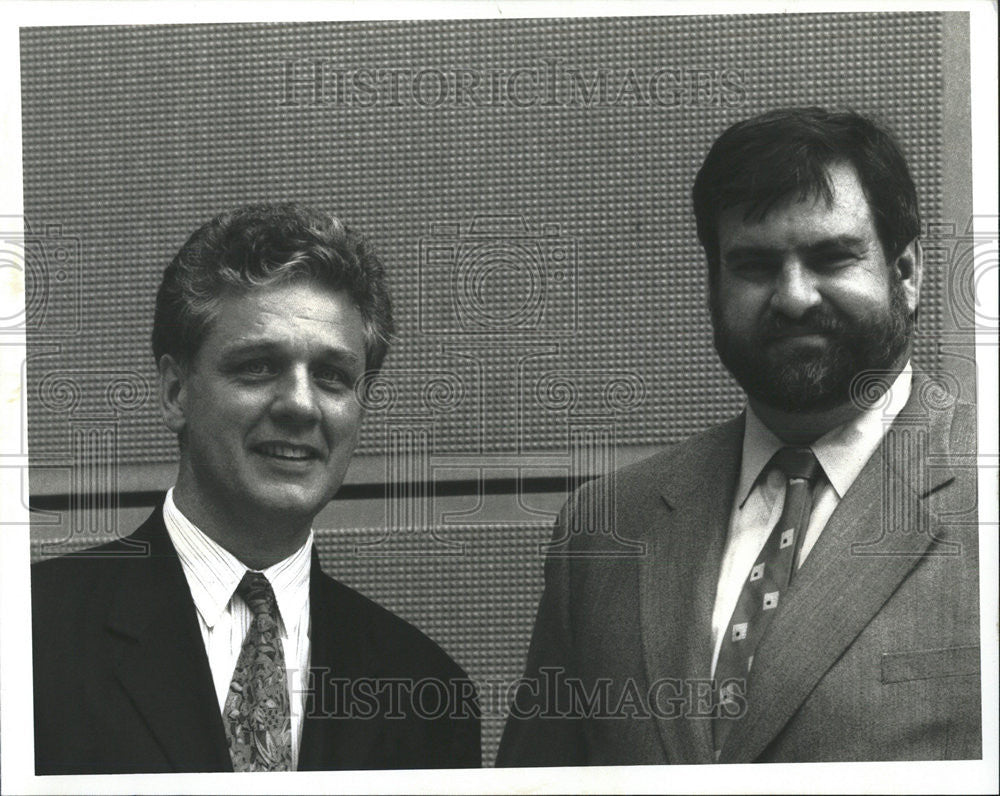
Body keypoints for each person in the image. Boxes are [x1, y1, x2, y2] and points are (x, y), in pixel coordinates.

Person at [496, 108, 980, 765]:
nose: (794, 297)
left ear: (908, 271)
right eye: (754, 265)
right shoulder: (603, 528)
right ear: (713, 287)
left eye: (831, 256)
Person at [32, 203, 481, 774]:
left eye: (332, 377)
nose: (299, 403)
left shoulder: (428, 693)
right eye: (258, 367)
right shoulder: (25, 637)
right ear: (175, 393)